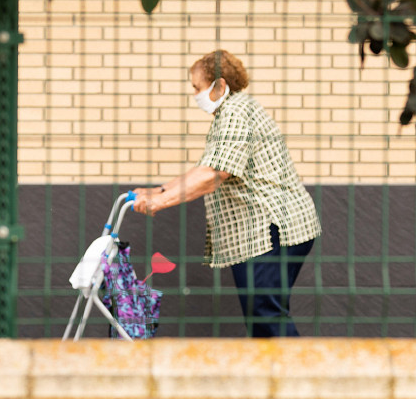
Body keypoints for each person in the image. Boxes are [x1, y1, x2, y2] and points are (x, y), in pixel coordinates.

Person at [132, 49, 321, 337]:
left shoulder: (236, 112)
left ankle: (299, 380)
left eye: (197, 87)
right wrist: (158, 189)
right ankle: (275, 377)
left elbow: (214, 174)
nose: (194, 94)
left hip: (272, 229)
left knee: (266, 314)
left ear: (219, 86)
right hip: (268, 230)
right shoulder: (233, 112)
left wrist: (160, 201)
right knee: (262, 314)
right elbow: (206, 167)